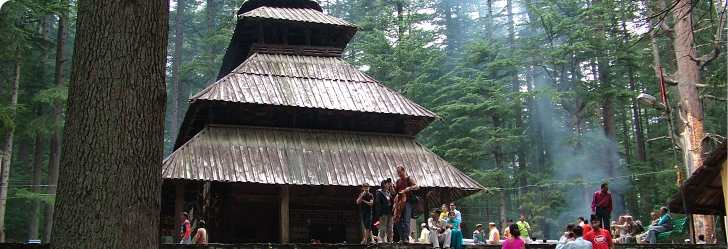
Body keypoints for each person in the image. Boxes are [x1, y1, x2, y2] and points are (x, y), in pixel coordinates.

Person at [394, 166, 419, 243]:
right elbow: (395, 192)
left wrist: (409, 188)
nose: (399, 174)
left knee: (406, 220)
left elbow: (417, 186)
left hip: (407, 201)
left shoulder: (409, 179)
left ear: (404, 171)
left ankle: (406, 237)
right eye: (398, 173)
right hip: (399, 202)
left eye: (400, 172)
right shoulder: (398, 181)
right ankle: (402, 237)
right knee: (397, 220)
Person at [375, 178, 394, 243]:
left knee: (390, 226)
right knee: (383, 227)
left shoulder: (388, 192)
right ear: (384, 184)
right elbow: (378, 203)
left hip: (390, 211)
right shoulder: (379, 193)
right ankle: (383, 241)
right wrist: (381, 212)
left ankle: (391, 241)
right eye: (387, 184)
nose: (389, 185)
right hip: (383, 212)